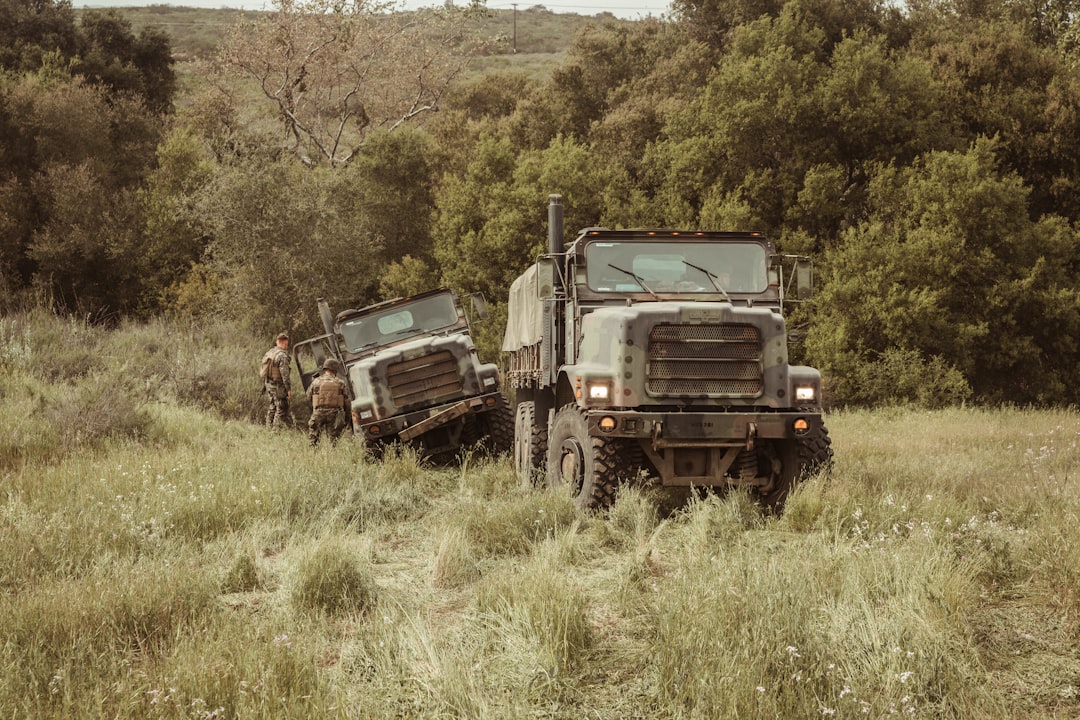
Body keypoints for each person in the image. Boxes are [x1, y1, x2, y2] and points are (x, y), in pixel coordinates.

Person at [307, 357, 349, 447]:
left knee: (313, 438)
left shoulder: (316, 381)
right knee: (333, 441)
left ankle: (313, 456)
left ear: (325, 368)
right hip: (334, 414)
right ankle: (332, 456)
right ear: (335, 370)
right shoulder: (340, 383)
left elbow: (308, 396)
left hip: (318, 413)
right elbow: (346, 399)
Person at [262, 332, 293, 428]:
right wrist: (288, 389)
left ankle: (268, 427)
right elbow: (285, 375)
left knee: (272, 406)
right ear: (284, 343)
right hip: (277, 386)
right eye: (286, 344)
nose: (286, 346)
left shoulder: (270, 352)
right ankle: (275, 431)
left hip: (269, 384)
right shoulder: (282, 356)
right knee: (281, 408)